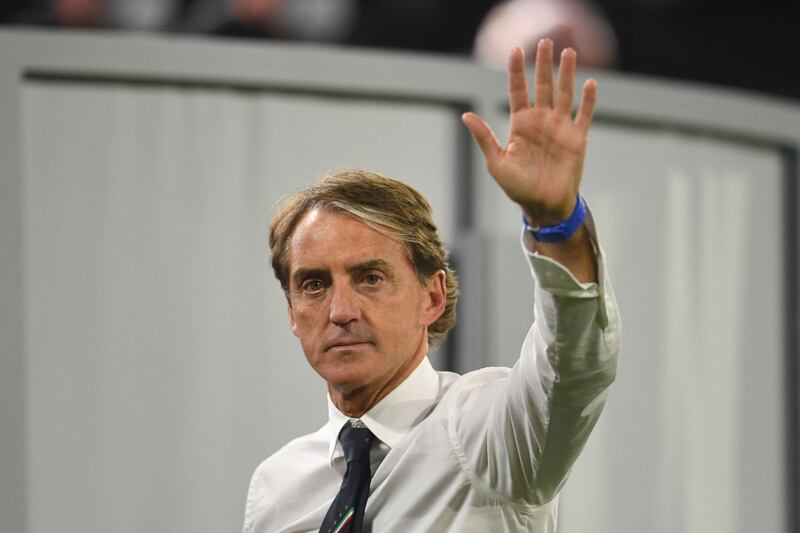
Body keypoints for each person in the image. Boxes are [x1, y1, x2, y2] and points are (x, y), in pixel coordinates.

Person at [243, 38, 620, 533]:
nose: (340, 310)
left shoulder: (487, 434)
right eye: (313, 284)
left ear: (432, 296)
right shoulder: (278, 487)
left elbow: (573, 368)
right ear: (292, 312)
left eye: (370, 277)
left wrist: (556, 224)